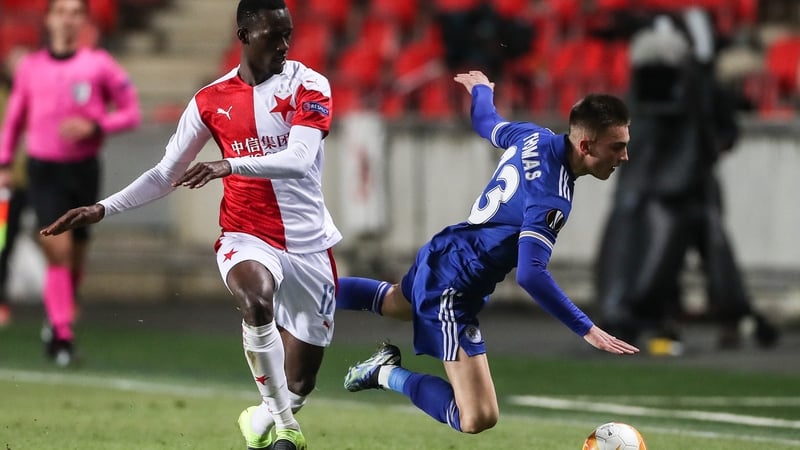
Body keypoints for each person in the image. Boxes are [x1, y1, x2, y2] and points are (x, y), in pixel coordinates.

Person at [41, 1, 338, 448]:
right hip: (246, 233)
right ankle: (287, 431)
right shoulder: (210, 101)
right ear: (243, 37)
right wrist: (103, 208)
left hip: (309, 242)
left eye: (287, 34)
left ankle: (264, 421)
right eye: (272, 35)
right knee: (255, 301)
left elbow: (298, 160)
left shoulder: (310, 85)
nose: (284, 45)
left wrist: (228, 165)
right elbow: (166, 174)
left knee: (301, 382)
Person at [336, 70, 639, 434]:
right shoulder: (551, 197)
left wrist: (481, 91)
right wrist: (586, 328)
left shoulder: (533, 135)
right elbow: (530, 274)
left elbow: (486, 122)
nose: (624, 156)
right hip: (455, 285)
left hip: (445, 249)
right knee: (478, 417)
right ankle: (385, 373)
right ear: (586, 146)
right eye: (617, 147)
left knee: (392, 303)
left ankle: (301, 288)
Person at [594, 10, 779, 353]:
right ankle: (710, 317)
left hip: (675, 182)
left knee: (671, 252)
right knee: (667, 253)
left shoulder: (686, 90)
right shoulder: (685, 88)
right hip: (673, 183)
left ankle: (710, 316)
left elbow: (720, 129)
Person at [0, 0, 141, 351]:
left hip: (83, 170)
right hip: (43, 169)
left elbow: (131, 113)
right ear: (49, 19)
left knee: (76, 254)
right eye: (61, 12)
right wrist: (3, 162)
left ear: (84, 21)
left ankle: (59, 312)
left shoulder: (99, 65)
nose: (68, 19)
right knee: (57, 247)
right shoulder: (31, 68)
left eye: (75, 13)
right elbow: (15, 119)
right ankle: (62, 334)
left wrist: (95, 125)